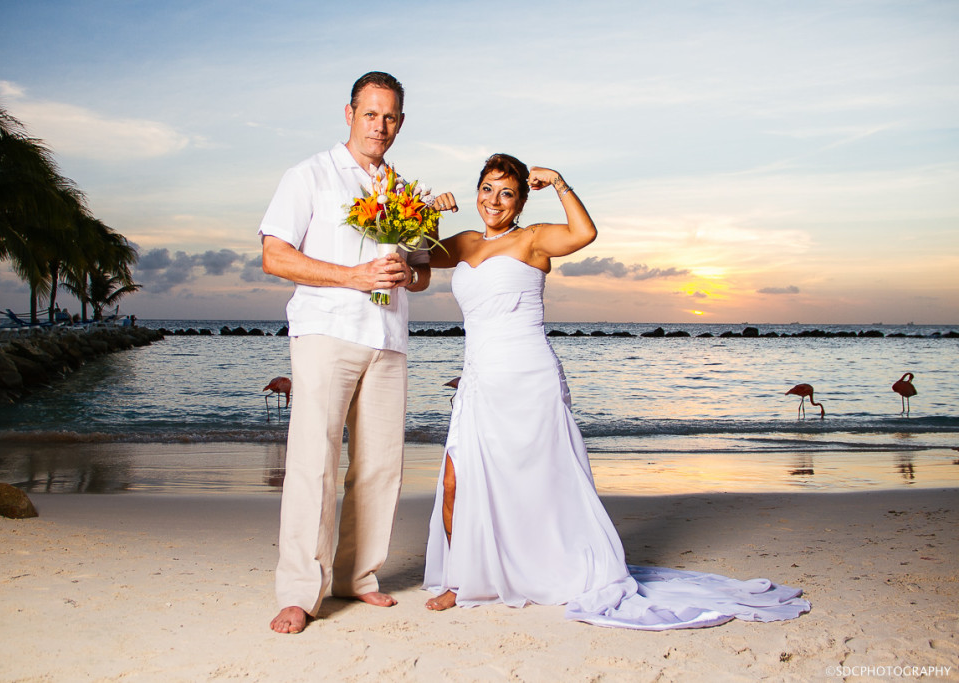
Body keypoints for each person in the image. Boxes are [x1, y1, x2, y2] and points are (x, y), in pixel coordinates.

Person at [421, 154, 810, 628]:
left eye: (506, 192)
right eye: (486, 188)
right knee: (457, 481)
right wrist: (428, 215)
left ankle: (532, 568)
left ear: (521, 199)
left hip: (529, 375)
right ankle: (462, 579)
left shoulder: (535, 237)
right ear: (476, 191)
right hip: (480, 379)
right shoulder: (463, 242)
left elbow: (585, 234)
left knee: (540, 482)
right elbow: (417, 259)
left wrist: (560, 182)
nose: (493, 200)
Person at [258, 71, 435, 635]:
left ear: (400, 123)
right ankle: (298, 591)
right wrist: (352, 276)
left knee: (380, 466)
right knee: (314, 464)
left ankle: (357, 578)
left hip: (387, 337)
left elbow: (423, 274)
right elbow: (275, 257)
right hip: (327, 332)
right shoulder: (308, 174)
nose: (379, 126)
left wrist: (409, 270)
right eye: (369, 114)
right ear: (349, 113)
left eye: (390, 117)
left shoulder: (403, 191)